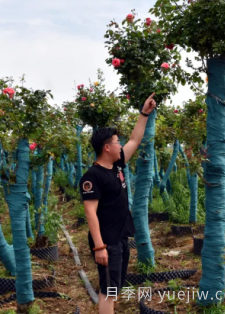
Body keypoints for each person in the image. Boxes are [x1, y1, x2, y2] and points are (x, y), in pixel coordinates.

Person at [80, 93, 156, 314]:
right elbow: (90, 213)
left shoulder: (117, 166)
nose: (120, 145)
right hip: (107, 242)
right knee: (108, 291)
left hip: (121, 238)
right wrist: (99, 246)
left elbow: (135, 140)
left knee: (115, 289)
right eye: (116, 142)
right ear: (106, 148)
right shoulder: (91, 177)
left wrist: (144, 113)